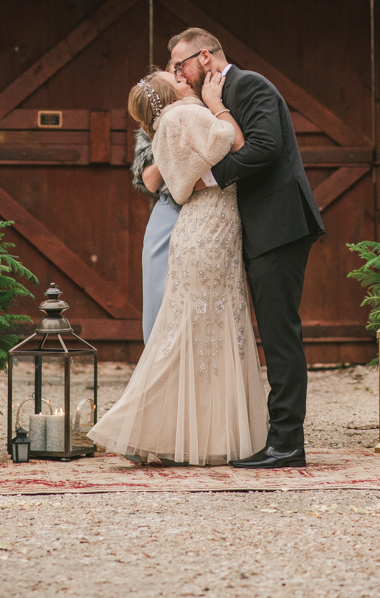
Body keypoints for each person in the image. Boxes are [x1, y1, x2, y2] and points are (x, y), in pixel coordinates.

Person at [88, 68, 267, 466]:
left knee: (192, 328)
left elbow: (183, 175)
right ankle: (146, 427)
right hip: (205, 226)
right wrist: (219, 108)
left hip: (205, 225)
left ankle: (182, 433)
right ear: (173, 91)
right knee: (189, 327)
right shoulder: (185, 114)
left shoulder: (172, 120)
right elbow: (230, 142)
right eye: (176, 74)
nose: (183, 74)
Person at [168, 27, 324, 470]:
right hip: (259, 228)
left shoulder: (249, 84)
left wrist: (210, 180)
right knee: (272, 333)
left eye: (180, 64)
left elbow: (266, 147)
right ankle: (277, 438)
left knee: (280, 335)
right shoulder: (218, 94)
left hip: (280, 225)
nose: (177, 73)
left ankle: (287, 443)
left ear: (204, 56)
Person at [130, 113, 180, 344]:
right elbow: (149, 181)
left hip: (211, 210)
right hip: (169, 208)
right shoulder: (153, 126)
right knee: (156, 291)